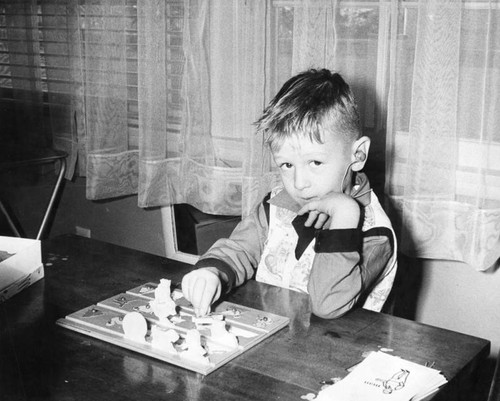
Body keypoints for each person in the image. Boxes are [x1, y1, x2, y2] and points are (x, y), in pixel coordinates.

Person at [182, 68, 397, 319]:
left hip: (339, 348)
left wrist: (345, 212)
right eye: (287, 165)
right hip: (273, 334)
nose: (299, 183)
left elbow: (328, 305)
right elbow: (239, 249)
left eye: (315, 162)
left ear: (358, 154)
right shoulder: (276, 205)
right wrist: (212, 272)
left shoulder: (375, 235)